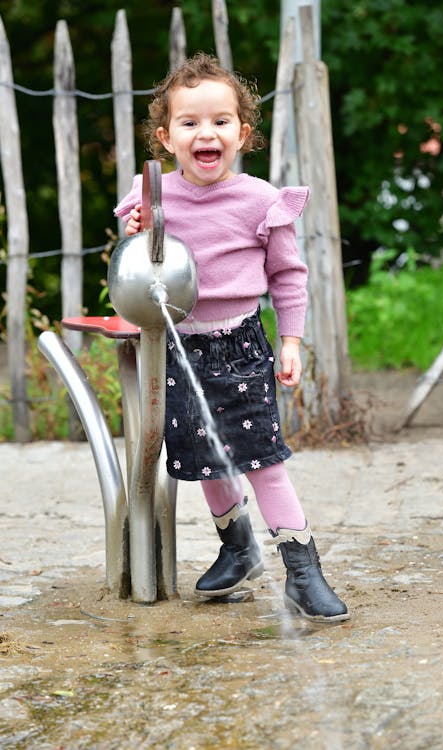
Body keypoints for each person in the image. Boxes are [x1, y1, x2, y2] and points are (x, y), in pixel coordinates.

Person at [115, 52, 349, 623]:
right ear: (166, 137)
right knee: (203, 460)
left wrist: (289, 341)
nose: (206, 133)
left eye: (220, 121)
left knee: (262, 461)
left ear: (242, 132)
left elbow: (288, 276)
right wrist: (136, 228)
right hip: (176, 345)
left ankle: (302, 570)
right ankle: (237, 547)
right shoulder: (155, 196)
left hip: (240, 344)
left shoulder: (261, 201)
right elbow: (134, 255)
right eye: (189, 123)